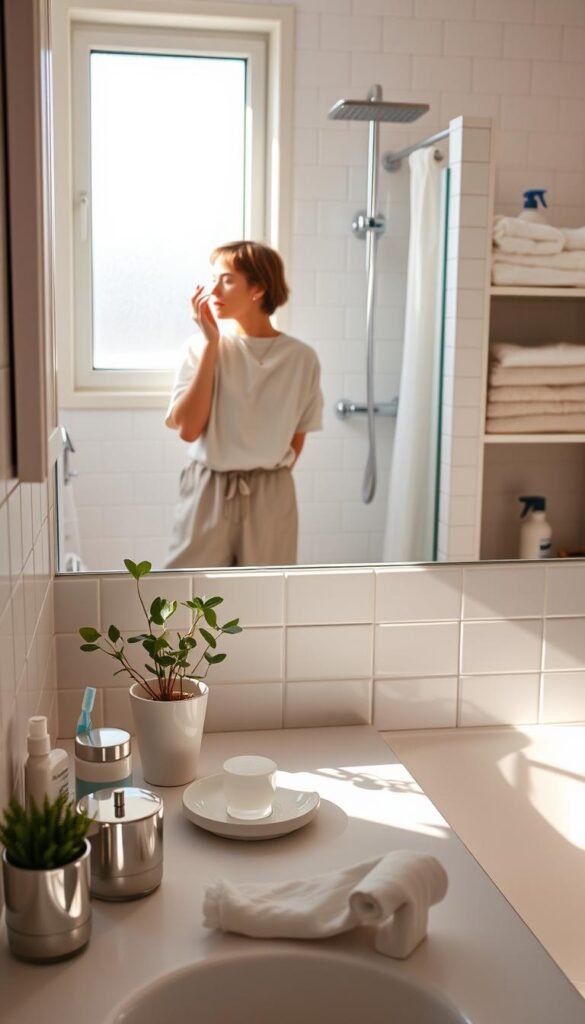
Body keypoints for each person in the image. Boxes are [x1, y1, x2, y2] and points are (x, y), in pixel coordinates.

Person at [164, 240, 323, 568]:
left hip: (270, 493)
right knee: (186, 593)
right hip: (208, 489)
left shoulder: (301, 358)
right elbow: (188, 430)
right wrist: (212, 344)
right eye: (212, 279)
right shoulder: (199, 348)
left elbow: (298, 437)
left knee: (266, 599)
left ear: (258, 289)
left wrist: (263, 480)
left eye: (226, 279)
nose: (212, 289)